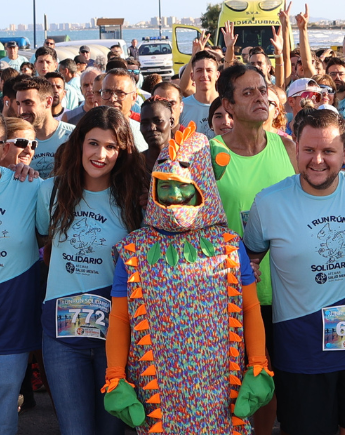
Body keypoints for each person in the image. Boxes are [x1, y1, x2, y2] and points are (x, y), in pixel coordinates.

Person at [103, 122, 273, 433]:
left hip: (222, 388)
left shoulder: (229, 245)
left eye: (184, 188)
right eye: (165, 188)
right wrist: (115, 375)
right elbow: (120, 317)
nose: (174, 198)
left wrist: (258, 363)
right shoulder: (134, 250)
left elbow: (249, 308)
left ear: (204, 187)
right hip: (158, 393)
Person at [243, 107, 345, 435]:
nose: (317, 160)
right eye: (309, 150)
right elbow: (250, 259)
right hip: (301, 355)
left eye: (328, 151)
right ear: (295, 147)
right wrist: (249, 269)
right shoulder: (268, 202)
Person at [36, 106, 146, 435]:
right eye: (93, 143)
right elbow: (43, 238)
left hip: (115, 336)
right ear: (79, 144)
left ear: (122, 151)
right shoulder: (50, 191)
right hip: (62, 337)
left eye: (111, 146)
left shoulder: (133, 200)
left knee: (111, 431)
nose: (101, 154)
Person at [212, 64, 297, 435]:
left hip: (286, 292)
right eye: (247, 93)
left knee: (268, 382)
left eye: (262, 90)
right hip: (228, 291)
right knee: (230, 383)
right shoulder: (209, 154)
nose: (260, 97)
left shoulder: (288, 146)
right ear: (228, 105)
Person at [0, 114, 42, 435]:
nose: (29, 149)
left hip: (12, 307)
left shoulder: (33, 186)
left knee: (4, 394)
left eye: (34, 144)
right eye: (21, 143)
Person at [15, 77, 75, 178]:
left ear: (48, 102)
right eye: (18, 104)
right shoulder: (15, 141)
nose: (21, 111)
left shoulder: (72, 135)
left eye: (28, 103)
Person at [101, 68, 149, 152]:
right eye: (107, 92)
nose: (112, 99)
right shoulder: (87, 131)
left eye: (120, 93)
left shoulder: (144, 134)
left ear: (134, 98)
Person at [180, 51, 220, 138]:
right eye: (199, 70)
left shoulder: (226, 104)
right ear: (192, 76)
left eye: (209, 70)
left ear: (217, 75)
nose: (204, 75)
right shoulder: (182, 107)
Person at [139, 96, 174, 174]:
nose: (151, 128)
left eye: (158, 121)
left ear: (171, 122)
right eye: (145, 123)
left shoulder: (185, 160)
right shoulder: (133, 164)